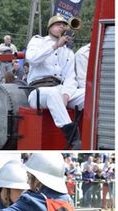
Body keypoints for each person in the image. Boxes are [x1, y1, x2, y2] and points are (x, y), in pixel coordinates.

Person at [25, 14, 85, 149]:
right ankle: (74, 138)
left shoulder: (68, 52)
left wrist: (66, 95)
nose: (62, 27)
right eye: (58, 24)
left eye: (64, 25)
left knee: (89, 94)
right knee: (53, 93)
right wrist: (55, 46)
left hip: (60, 90)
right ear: (50, 27)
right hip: (37, 92)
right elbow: (32, 58)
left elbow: (71, 78)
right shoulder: (37, 41)